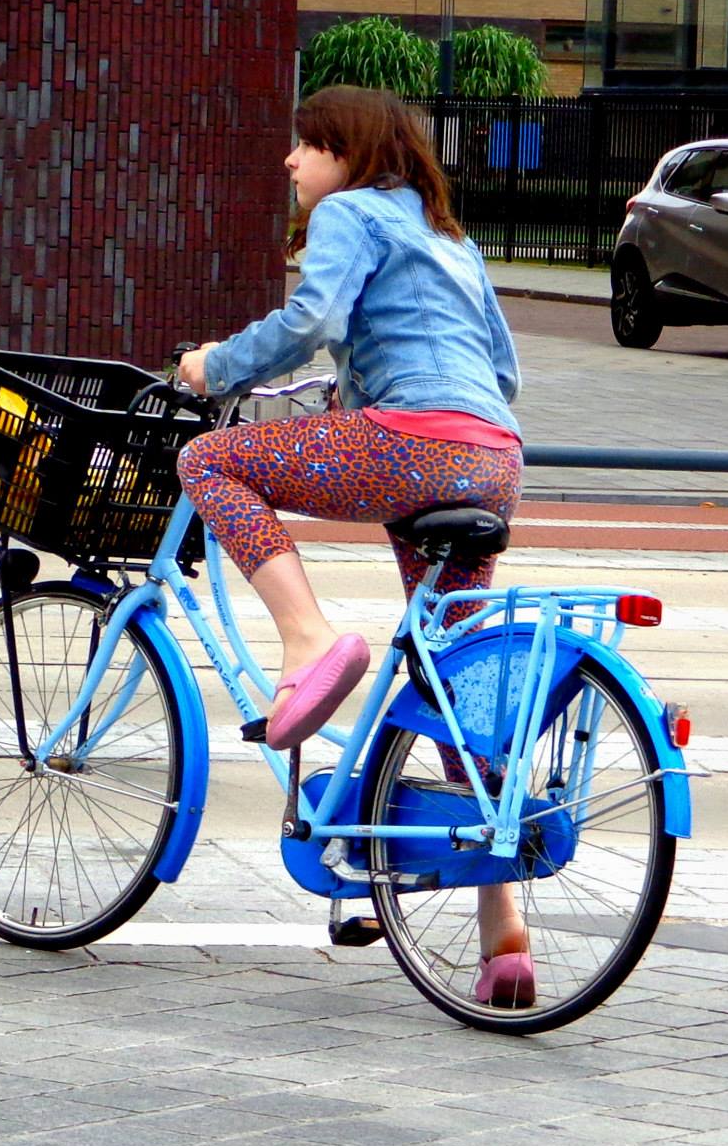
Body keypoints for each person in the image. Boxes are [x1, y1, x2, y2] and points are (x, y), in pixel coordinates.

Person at [174, 85, 533, 1006]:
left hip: (411, 445)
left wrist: (215, 366)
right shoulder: (450, 237)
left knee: (209, 459)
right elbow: (501, 372)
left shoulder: (349, 213)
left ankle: (306, 640)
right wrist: (358, 395)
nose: (291, 161)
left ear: (350, 152)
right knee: (452, 679)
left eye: (308, 144)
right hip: (493, 459)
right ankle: (504, 937)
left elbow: (310, 323)